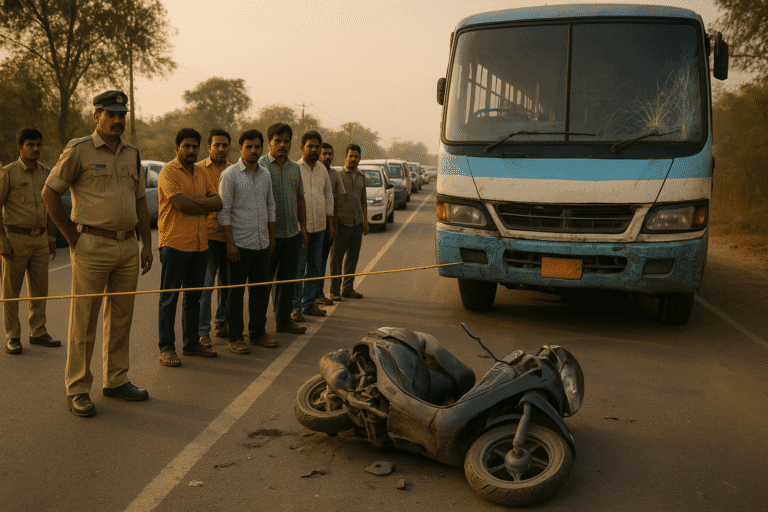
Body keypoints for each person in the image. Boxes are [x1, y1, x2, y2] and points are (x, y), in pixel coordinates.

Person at [43, 90, 153, 417]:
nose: (118, 120)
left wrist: (146, 244)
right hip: (91, 244)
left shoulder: (132, 153)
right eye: (111, 114)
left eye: (122, 115)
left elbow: (139, 202)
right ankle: (77, 388)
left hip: (127, 247)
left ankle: (116, 380)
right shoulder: (79, 150)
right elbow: (50, 192)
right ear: (97, 116)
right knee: (84, 320)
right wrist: (71, 239)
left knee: (121, 317)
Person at [157, 128, 222, 366]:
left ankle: (192, 344)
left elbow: (218, 202)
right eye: (186, 146)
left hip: (200, 244)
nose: (191, 150)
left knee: (194, 297)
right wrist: (203, 205)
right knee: (169, 299)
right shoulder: (168, 172)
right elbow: (180, 205)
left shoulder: (202, 173)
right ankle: (166, 347)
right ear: (177, 148)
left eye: (195, 146)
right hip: (174, 243)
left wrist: (193, 203)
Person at [1, 128, 59, 355]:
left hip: (40, 238)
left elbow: (50, 207)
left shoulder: (46, 172)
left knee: (39, 289)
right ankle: (13, 336)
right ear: (20, 147)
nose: (35, 149)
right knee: (11, 291)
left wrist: (51, 236)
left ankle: (38, 332)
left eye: (38, 144)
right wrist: (2, 239)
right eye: (30, 145)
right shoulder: (8, 173)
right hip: (15, 238)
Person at [219, 130, 276, 351]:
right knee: (235, 294)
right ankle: (235, 338)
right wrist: (230, 244)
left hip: (262, 243)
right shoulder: (230, 175)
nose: (253, 151)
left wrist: (271, 238)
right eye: (248, 147)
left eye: (257, 147)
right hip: (239, 245)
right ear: (240, 148)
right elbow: (224, 212)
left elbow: (270, 206)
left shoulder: (265, 175)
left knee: (260, 291)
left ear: (262, 148)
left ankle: (258, 333)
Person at [258, 123, 308, 335]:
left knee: (287, 280)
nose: (282, 145)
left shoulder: (294, 168)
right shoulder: (260, 166)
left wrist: (303, 227)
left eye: (286, 141)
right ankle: (258, 326)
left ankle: (284, 320)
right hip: (267, 236)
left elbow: (299, 198)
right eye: (277, 141)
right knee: (263, 283)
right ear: (269, 142)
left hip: (291, 234)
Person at [292, 131, 334, 321]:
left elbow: (328, 197)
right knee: (299, 269)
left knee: (315, 266)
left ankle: (310, 303)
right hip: (302, 228)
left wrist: (330, 224)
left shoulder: (322, 170)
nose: (314, 150)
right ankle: (295, 307)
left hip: (320, 227)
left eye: (317, 146)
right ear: (302, 148)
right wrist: (300, 226)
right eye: (310, 146)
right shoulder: (295, 168)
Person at [198, 129, 232, 348]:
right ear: (209, 147)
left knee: (227, 284)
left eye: (224, 145)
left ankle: (223, 322)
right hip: (207, 235)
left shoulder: (235, 171)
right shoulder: (198, 170)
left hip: (229, 235)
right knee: (206, 286)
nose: (220, 149)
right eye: (216, 145)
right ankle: (202, 331)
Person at [329, 144, 368, 301]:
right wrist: (332, 223)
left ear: (359, 158)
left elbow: (363, 201)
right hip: (341, 223)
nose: (353, 159)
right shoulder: (337, 175)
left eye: (356, 156)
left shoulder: (361, 177)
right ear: (345, 157)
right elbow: (332, 200)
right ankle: (334, 291)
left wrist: (365, 222)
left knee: (352, 258)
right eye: (350, 156)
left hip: (356, 223)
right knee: (336, 259)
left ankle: (348, 288)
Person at [315, 143, 345, 306]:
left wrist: (333, 225)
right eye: (324, 153)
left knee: (321, 261)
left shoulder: (334, 175)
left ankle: (318, 293)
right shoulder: (313, 171)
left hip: (327, 224)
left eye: (330, 154)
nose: (327, 157)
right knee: (308, 263)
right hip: (311, 224)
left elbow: (336, 202)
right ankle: (306, 297)